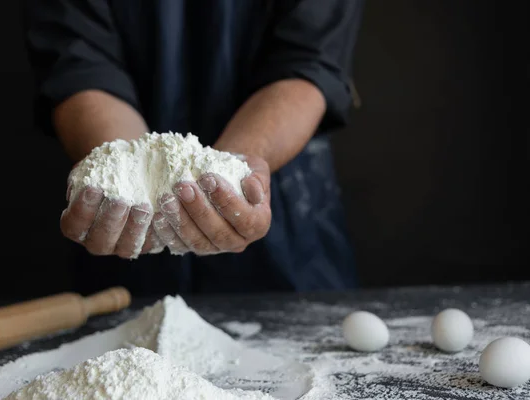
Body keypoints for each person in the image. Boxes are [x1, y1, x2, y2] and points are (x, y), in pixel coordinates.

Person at [22, 0, 365, 296]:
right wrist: (125, 171)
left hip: (286, 227)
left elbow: (309, 58)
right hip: (123, 245)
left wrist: (235, 170)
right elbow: (79, 59)